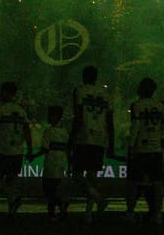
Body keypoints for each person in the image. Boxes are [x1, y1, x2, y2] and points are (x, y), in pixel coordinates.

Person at [69, 65, 114, 222]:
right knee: (92, 177)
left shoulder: (79, 91)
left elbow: (78, 116)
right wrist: (111, 143)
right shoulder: (105, 94)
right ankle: (88, 213)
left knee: (77, 175)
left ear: (84, 76)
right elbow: (110, 121)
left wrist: (72, 137)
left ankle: (99, 199)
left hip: (84, 137)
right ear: (95, 77)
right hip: (100, 139)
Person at [126, 77, 164, 225]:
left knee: (132, 182)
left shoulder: (136, 105)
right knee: (157, 182)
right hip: (155, 149)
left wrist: (130, 147)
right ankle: (157, 214)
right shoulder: (160, 106)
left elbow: (135, 128)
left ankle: (130, 213)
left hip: (140, 149)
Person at [0, 81, 31, 215]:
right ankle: (11, 209)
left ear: (6, 93)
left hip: (4, 152)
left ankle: (13, 198)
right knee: (11, 182)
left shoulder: (1, 109)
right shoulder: (22, 111)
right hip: (18, 152)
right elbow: (27, 131)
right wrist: (29, 149)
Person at [29, 105, 70, 221]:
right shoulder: (65, 132)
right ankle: (60, 206)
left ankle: (53, 211)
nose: (48, 117)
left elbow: (44, 149)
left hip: (51, 163)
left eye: (50, 115)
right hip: (61, 163)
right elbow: (68, 149)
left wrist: (33, 156)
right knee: (53, 189)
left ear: (56, 116)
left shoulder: (48, 131)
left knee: (48, 189)